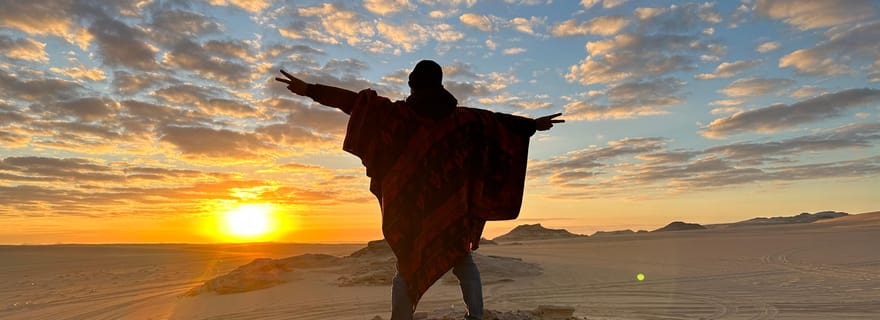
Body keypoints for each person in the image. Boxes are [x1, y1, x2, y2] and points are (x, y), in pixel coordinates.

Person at [276, 60, 562, 320]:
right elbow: (498, 123)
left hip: (411, 210)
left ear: (413, 83)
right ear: (439, 84)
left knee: (407, 264)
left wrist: (310, 89)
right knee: (463, 261)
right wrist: (532, 125)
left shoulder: (397, 115)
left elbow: (353, 103)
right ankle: (475, 316)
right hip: (454, 208)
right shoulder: (463, 119)